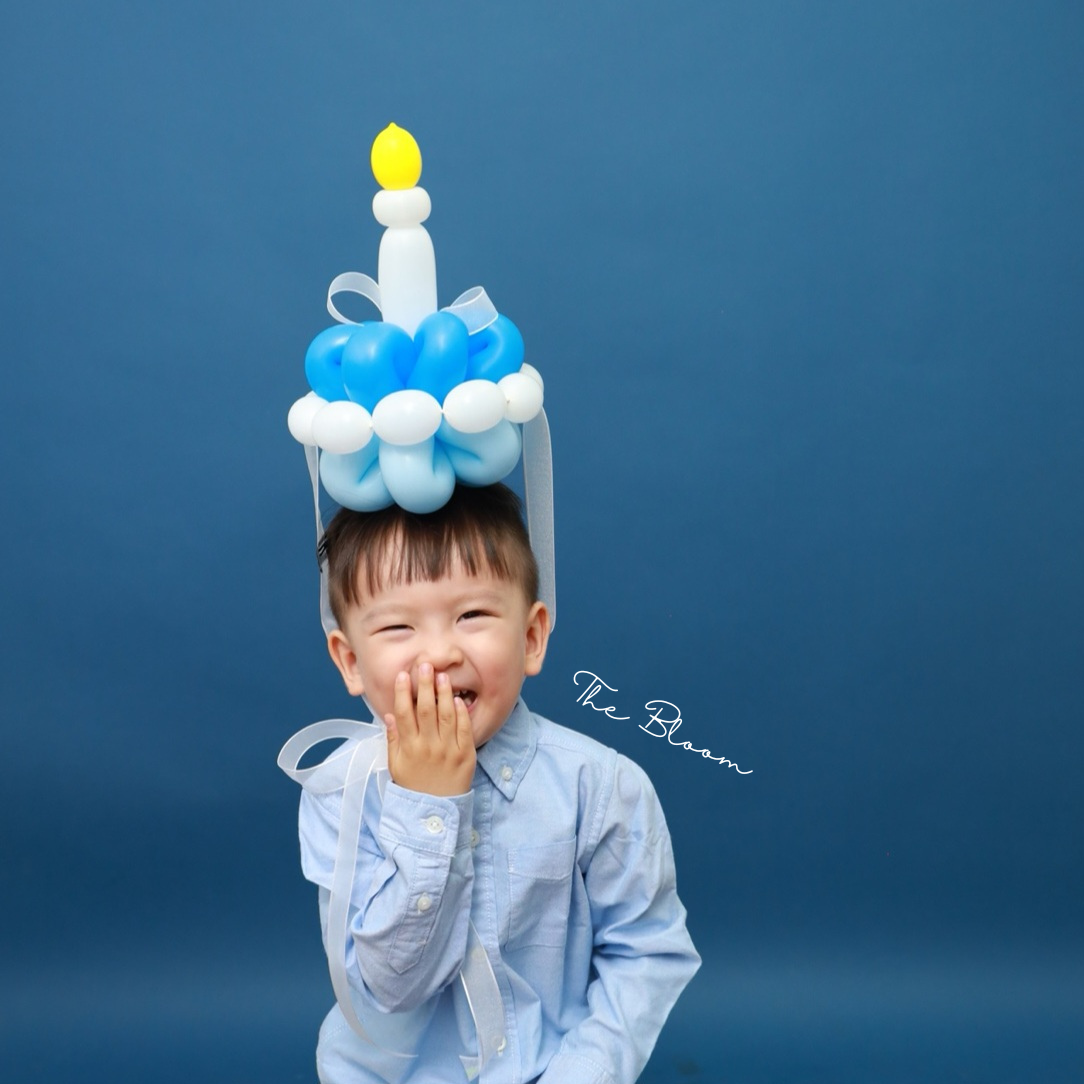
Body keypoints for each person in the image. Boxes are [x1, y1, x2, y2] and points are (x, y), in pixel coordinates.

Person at [292, 481, 700, 1083]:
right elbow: (386, 988)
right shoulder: (339, 794)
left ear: (532, 636)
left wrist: (581, 1074)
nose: (437, 653)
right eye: (397, 628)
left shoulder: (603, 786)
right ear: (349, 660)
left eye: (472, 615)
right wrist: (428, 803)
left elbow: (647, 952)